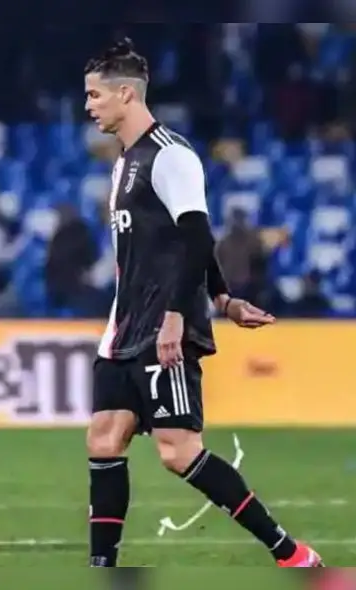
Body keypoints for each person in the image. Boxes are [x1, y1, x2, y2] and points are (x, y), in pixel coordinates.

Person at [82, 39, 322, 568]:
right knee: (104, 438)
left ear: (127, 94)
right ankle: (102, 569)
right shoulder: (124, 162)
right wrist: (225, 297)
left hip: (163, 326)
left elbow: (196, 236)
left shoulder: (170, 155)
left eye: (95, 95)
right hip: (124, 328)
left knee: (177, 451)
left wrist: (187, 312)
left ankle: (290, 553)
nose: (88, 106)